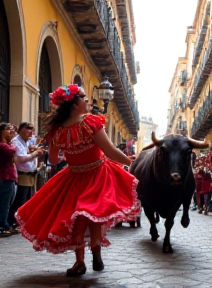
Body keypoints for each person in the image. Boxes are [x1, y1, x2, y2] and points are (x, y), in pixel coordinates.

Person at [15, 84, 140, 276]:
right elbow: (109, 151)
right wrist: (129, 160)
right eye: (84, 98)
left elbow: (55, 159)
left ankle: (79, 262)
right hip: (98, 173)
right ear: (75, 104)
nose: (88, 102)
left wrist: (71, 153)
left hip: (73, 176)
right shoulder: (90, 122)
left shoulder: (56, 131)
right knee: (93, 214)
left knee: (77, 218)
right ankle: (96, 248)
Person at [8, 122, 44, 227]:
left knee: (27, 200)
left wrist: (34, 149)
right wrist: (36, 153)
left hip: (30, 175)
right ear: (23, 130)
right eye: (30, 131)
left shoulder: (26, 141)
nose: (31, 134)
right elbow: (21, 159)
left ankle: (21, 221)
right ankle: (13, 221)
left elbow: (27, 153)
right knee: (20, 200)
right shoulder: (16, 141)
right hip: (22, 175)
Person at [0, 123, 17, 237]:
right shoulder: (3, 145)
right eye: (8, 129)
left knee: (7, 202)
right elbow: (12, 151)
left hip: (9, 176)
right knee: (5, 203)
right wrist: (11, 140)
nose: (11, 132)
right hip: (4, 176)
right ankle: (3, 225)